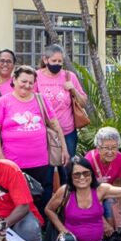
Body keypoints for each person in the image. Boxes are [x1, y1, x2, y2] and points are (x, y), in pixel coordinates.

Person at [0, 64, 69, 218]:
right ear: (14, 80)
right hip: (14, 164)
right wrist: (1, 160)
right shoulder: (2, 102)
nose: (27, 86)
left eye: (31, 83)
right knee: (16, 199)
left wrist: (64, 149)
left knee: (43, 195)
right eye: (23, 81)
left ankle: (43, 228)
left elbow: (55, 125)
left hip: (41, 161)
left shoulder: (41, 99)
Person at [35, 44, 87, 184]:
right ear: (45, 60)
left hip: (67, 131)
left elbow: (83, 103)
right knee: (46, 172)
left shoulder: (69, 76)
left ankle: (68, 201)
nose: (57, 65)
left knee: (67, 170)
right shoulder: (36, 76)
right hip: (45, 132)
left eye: (60, 62)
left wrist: (73, 90)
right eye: (54, 61)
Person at [85, 127, 121, 229]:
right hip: (90, 195)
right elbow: (85, 192)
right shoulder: (89, 160)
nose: (110, 152)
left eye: (114, 147)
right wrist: (104, 223)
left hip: (108, 193)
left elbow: (118, 184)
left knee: (111, 204)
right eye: (106, 148)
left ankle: (113, 234)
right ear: (98, 148)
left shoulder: (120, 158)